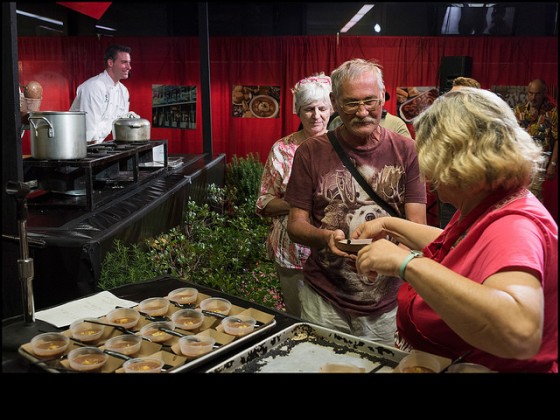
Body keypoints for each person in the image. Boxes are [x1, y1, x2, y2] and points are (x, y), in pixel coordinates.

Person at [352, 87, 558, 372]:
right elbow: (466, 247)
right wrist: (390, 225)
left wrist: (406, 263)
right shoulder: (495, 200)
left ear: (455, 160)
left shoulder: (517, 225)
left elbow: (520, 331)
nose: (428, 176)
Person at [285, 58, 427, 346]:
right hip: (324, 299)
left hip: (385, 304)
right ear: (335, 102)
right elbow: (295, 225)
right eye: (351, 103)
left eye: (370, 102)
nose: (362, 112)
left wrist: (390, 259)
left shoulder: (407, 151)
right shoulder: (310, 152)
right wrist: (325, 238)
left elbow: (417, 226)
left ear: (383, 97)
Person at [256, 73, 333, 317]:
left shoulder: (341, 147)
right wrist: (297, 206)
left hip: (333, 253)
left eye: (322, 108)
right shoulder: (283, 149)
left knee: (330, 322)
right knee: (298, 320)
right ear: (298, 112)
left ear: (332, 109)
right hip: (293, 253)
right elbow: (264, 201)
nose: (316, 115)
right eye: (309, 109)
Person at [438, 76, 482, 228]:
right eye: (450, 97)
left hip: (477, 200)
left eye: (458, 98)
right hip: (450, 199)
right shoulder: (441, 128)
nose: (451, 103)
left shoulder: (486, 133)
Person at [70, 44, 132, 144]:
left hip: (96, 145)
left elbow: (121, 123)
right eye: (124, 62)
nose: (129, 67)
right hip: (75, 146)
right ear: (110, 63)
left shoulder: (123, 91)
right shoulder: (94, 87)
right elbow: (88, 133)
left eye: (129, 63)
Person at [514, 78, 558, 202]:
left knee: (533, 195)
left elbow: (557, 138)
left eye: (537, 94)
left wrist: (553, 164)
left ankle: (534, 219)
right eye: (531, 93)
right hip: (521, 159)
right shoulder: (520, 110)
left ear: (544, 94)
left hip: (540, 159)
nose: (533, 98)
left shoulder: (552, 112)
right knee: (517, 194)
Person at [328, 92, 412, 139]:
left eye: (370, 101)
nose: (362, 112)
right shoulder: (338, 121)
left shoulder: (396, 123)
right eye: (353, 103)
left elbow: (407, 155)